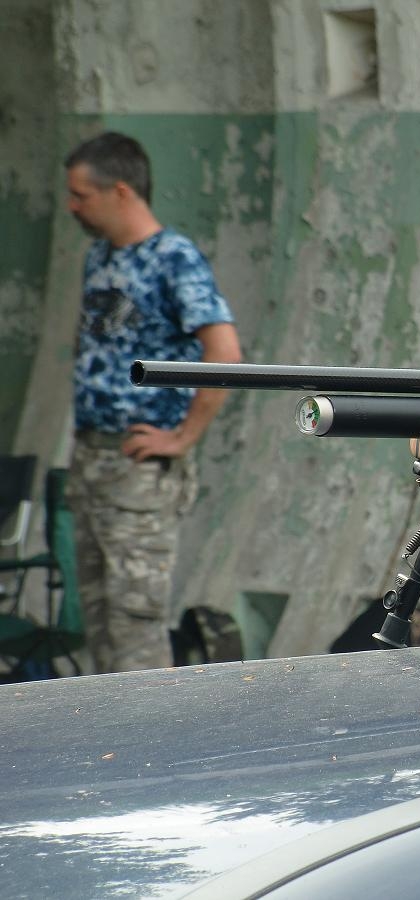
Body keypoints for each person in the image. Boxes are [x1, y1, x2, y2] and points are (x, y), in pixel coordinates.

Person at [63, 131, 242, 673]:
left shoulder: (173, 259)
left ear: (120, 191)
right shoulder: (99, 256)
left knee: (135, 624)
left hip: (139, 466)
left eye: (81, 195)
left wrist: (184, 437)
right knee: (97, 616)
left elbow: (224, 353)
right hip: (92, 459)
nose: (72, 206)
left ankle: (151, 726)